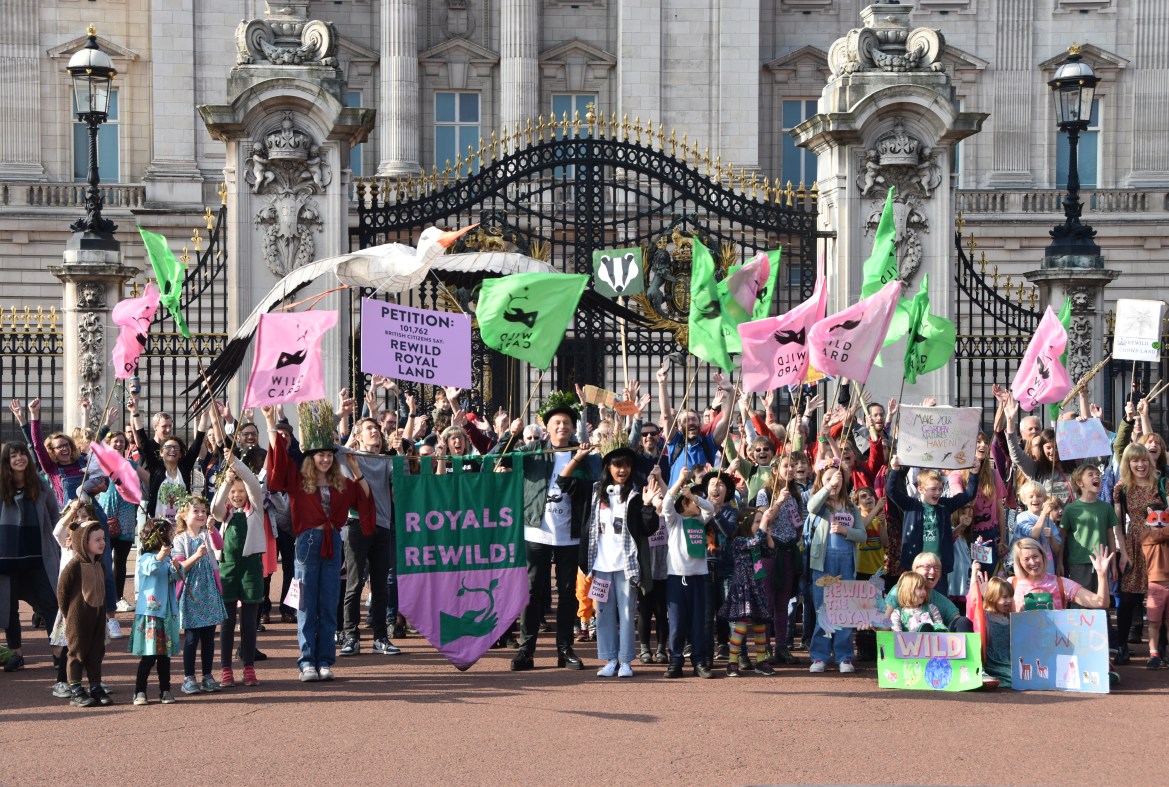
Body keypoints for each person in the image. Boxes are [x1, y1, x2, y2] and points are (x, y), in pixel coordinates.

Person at [264, 401, 372, 682]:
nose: (324, 459)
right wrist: (271, 423)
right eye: (320, 455)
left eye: (328, 455)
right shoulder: (299, 481)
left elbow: (365, 500)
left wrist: (355, 468)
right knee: (306, 605)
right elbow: (277, 469)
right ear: (311, 458)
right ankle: (306, 662)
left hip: (333, 541)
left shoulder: (341, 484)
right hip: (306, 543)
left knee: (328, 602)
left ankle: (325, 660)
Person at [502, 398, 594, 672]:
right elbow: (501, 457)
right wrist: (510, 434)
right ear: (547, 427)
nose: (562, 426)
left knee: (567, 594)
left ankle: (565, 649)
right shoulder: (532, 450)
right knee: (530, 592)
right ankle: (526, 650)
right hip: (536, 532)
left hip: (570, 535)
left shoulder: (583, 454)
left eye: (566, 422)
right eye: (557, 422)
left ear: (573, 428)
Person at [574, 442, 657, 678]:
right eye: (617, 465)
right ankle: (610, 659)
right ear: (608, 467)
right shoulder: (595, 491)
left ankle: (626, 661)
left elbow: (647, 528)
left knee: (627, 614)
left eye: (627, 465)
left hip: (626, 566)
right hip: (600, 566)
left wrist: (649, 505)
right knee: (603, 614)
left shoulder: (635, 495)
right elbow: (585, 527)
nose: (623, 470)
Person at [338, 417, 401, 658]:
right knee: (353, 584)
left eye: (376, 428)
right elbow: (329, 447)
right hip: (356, 525)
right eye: (369, 429)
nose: (374, 431)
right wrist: (342, 417)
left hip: (383, 526)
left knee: (381, 585)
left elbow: (399, 490)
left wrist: (399, 454)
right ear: (359, 435)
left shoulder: (386, 459)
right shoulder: (349, 455)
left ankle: (380, 638)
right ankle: (351, 637)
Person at [644, 467, 715, 678]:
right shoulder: (674, 521)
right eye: (693, 501)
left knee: (698, 623)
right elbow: (667, 504)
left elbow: (710, 509)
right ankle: (675, 661)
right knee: (676, 623)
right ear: (684, 505)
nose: (697, 502)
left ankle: (699, 661)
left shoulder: (700, 521)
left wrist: (693, 495)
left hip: (698, 578)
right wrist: (679, 481)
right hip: (676, 578)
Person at [885, 444, 986, 589]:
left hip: (939, 567)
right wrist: (894, 470)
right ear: (920, 489)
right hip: (916, 565)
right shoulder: (911, 505)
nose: (938, 493)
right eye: (933, 489)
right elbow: (891, 490)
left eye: (940, 489)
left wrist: (974, 472)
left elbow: (969, 494)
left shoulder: (944, 505)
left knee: (939, 600)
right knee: (916, 599)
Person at [0, 442, 61, 674]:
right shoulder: (1, 486)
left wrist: (58, 543)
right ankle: (16, 653)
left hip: (38, 554)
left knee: (50, 603)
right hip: (7, 555)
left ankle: (58, 649)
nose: (19, 459)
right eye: (13, 456)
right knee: (9, 608)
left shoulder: (40, 485)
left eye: (22, 454)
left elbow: (55, 516)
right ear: (7, 461)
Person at [212, 452, 267, 687]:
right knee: (226, 622)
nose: (237, 495)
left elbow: (254, 483)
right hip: (228, 568)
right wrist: (227, 479)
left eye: (240, 491)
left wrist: (236, 463)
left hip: (251, 569)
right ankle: (225, 668)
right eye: (233, 492)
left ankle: (248, 666)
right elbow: (214, 506)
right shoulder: (224, 515)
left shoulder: (255, 510)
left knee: (248, 622)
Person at [806, 463, 866, 673]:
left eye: (837, 478)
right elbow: (811, 507)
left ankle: (844, 656)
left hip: (846, 563)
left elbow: (862, 535)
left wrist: (845, 530)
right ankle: (820, 656)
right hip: (823, 564)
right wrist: (827, 487)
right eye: (829, 478)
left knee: (844, 609)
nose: (834, 482)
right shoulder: (821, 505)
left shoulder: (851, 508)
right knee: (823, 608)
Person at [1111, 443, 1164, 665]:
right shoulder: (1122, 487)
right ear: (1128, 463)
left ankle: (1161, 649)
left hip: (1160, 545)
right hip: (1133, 544)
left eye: (1144, 460)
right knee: (1128, 598)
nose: (1140, 464)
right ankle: (1122, 646)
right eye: (1135, 460)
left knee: (1161, 597)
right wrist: (1123, 553)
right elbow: (1117, 524)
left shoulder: (1161, 483)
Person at [173, 494, 227, 694]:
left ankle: (207, 675)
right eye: (196, 511)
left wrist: (212, 529)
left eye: (203, 511)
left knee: (209, 638)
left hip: (209, 591)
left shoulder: (207, 533)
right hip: (191, 593)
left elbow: (220, 545)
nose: (201, 514)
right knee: (191, 638)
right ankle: (188, 677)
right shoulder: (180, 539)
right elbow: (179, 568)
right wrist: (196, 555)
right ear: (185, 515)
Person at [757, 454, 804, 665]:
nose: (791, 470)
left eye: (793, 466)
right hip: (769, 554)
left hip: (788, 553)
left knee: (783, 602)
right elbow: (764, 521)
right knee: (766, 601)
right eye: (786, 466)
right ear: (776, 470)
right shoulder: (764, 493)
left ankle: (781, 647)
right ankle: (764, 647)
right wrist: (777, 502)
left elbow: (799, 523)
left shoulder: (797, 494)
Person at [56, 520, 109, 707]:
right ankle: (76, 688)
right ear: (84, 541)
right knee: (77, 651)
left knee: (96, 652)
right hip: (78, 616)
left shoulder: (100, 566)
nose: (102, 543)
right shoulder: (74, 565)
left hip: (98, 615)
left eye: (103, 539)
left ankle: (95, 686)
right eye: (97, 540)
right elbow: (62, 591)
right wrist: (68, 614)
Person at [129, 518, 181, 705]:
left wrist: (177, 567)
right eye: (168, 533)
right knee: (149, 657)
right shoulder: (146, 558)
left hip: (166, 614)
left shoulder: (167, 559)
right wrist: (160, 557)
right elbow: (150, 569)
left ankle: (165, 690)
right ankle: (139, 691)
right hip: (150, 614)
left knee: (164, 657)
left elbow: (178, 576)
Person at [722, 507, 775, 677]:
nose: (761, 524)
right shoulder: (739, 540)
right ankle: (732, 662)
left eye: (761, 521)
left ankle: (761, 661)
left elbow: (770, 553)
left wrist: (769, 536)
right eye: (757, 522)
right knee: (741, 626)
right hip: (743, 587)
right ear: (746, 523)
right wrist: (764, 523)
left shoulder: (757, 539)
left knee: (760, 625)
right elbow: (754, 542)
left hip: (757, 586)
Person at [1061, 464, 1118, 621]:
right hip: (1079, 563)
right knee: (1081, 602)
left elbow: (1111, 535)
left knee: (1102, 600)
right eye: (1091, 474)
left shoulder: (1106, 508)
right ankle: (1079, 637)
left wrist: (1112, 563)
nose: (1096, 477)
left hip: (1102, 563)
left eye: (1098, 474)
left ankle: (1103, 639)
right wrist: (1060, 562)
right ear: (1080, 483)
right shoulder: (1070, 509)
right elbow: (1062, 537)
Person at [1010, 537, 1113, 611]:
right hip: (1022, 640)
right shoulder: (1011, 584)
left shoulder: (1061, 583)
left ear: (1042, 556)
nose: (1032, 562)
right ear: (1019, 562)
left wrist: (1101, 574)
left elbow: (1101, 602)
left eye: (1035, 556)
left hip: (1055, 639)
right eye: (1026, 559)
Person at [884, 552, 974, 633]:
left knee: (963, 622)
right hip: (907, 644)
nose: (932, 572)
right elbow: (885, 623)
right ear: (915, 570)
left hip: (936, 645)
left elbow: (958, 621)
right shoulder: (899, 590)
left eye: (937, 568)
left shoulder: (940, 600)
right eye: (927, 567)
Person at [1012, 482, 1063, 574]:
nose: (1035, 499)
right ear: (1024, 500)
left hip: (1047, 566)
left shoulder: (1049, 522)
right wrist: (1044, 513)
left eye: (1039, 496)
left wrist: (1051, 537)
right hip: (1027, 566)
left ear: (1044, 499)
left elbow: (1056, 549)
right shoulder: (1022, 517)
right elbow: (1034, 535)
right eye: (1031, 496)